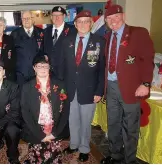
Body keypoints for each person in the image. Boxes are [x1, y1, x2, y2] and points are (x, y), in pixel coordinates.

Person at [100, 5, 155, 164]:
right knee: (113, 123)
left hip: (131, 88)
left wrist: (145, 83)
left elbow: (147, 59)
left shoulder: (138, 33)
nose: (113, 21)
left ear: (123, 15)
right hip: (110, 87)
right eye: (109, 19)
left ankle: (129, 160)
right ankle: (115, 155)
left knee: (131, 126)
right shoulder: (107, 37)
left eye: (116, 17)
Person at [59, 10, 105, 162]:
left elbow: (101, 69)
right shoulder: (67, 41)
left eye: (86, 21)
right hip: (70, 89)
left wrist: (99, 91)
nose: (83, 24)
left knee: (86, 121)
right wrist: (62, 88)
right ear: (75, 24)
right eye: (80, 22)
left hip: (90, 90)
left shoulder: (99, 41)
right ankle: (74, 144)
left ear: (91, 24)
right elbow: (62, 67)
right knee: (72, 120)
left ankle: (84, 148)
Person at [21, 55, 69, 164]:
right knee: (38, 157)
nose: (42, 69)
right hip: (35, 128)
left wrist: (55, 133)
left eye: (45, 66)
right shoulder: (27, 87)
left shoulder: (60, 85)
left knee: (53, 158)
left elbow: (66, 110)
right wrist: (40, 135)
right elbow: (25, 112)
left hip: (55, 128)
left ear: (49, 67)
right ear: (34, 68)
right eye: (39, 66)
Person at [10, 11, 44, 86]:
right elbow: (11, 54)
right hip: (20, 74)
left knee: (36, 96)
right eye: (24, 19)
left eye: (28, 18)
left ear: (33, 19)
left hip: (37, 72)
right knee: (21, 96)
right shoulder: (14, 34)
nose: (26, 20)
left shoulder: (41, 33)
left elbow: (44, 52)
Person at [43, 6, 76, 80]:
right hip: (49, 74)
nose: (57, 18)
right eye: (54, 15)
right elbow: (43, 50)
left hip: (66, 73)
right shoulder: (45, 31)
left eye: (59, 15)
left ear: (64, 16)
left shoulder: (73, 31)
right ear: (51, 17)